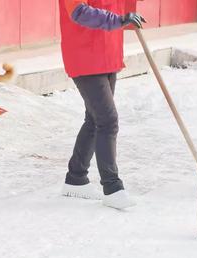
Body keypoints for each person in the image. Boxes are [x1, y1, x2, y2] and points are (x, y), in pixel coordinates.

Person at [59, 0, 145, 209]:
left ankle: (76, 178)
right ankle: (112, 188)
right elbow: (79, 12)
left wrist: (128, 16)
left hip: (107, 53)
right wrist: (119, 20)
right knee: (108, 121)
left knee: (94, 119)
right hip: (85, 55)